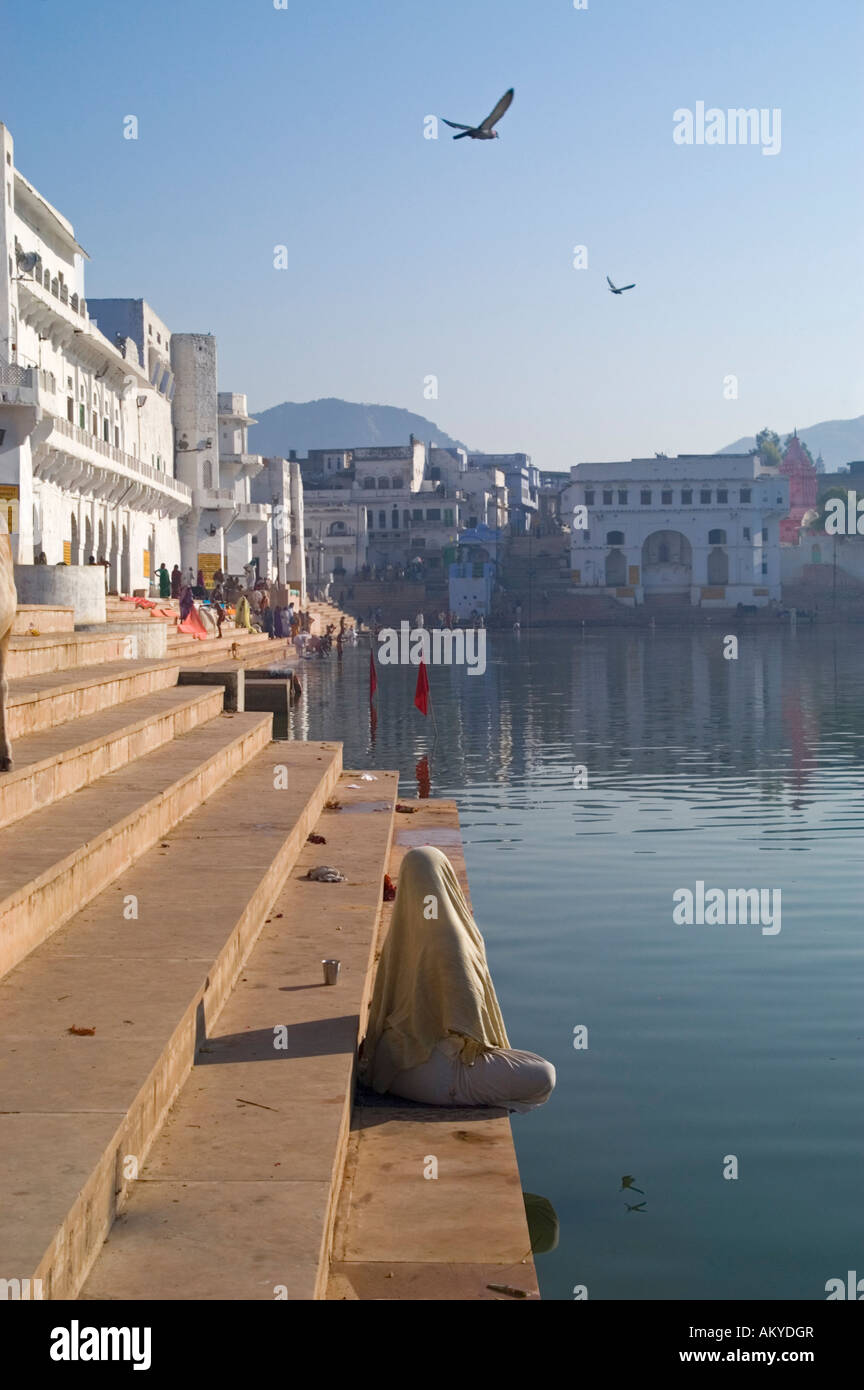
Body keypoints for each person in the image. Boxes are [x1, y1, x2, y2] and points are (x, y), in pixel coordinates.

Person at [360, 847, 555, 1113]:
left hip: (391, 1068)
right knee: (544, 1074)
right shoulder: (454, 940)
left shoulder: (400, 935)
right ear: (446, 881)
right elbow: (470, 1021)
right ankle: (471, 1094)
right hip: (442, 1076)